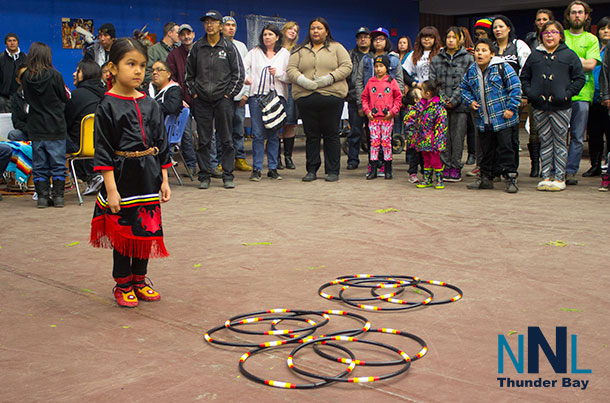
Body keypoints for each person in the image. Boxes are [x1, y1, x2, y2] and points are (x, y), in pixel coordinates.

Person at [89, 37, 171, 308]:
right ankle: (122, 283)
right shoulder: (107, 105)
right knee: (124, 235)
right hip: (122, 180)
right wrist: (111, 189)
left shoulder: (150, 103)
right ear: (112, 68)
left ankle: (140, 279)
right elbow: (103, 151)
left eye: (142, 65)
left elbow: (162, 143)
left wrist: (165, 180)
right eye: (131, 64)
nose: (138, 71)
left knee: (145, 232)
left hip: (148, 178)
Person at [521, 20, 585, 192]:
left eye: (554, 32)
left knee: (560, 142)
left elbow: (580, 79)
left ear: (561, 36)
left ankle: (559, 177)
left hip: (561, 107)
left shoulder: (569, 55)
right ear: (541, 36)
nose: (550, 35)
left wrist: (566, 93)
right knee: (545, 141)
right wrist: (531, 93)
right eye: (546, 32)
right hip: (539, 106)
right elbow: (524, 77)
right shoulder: (535, 55)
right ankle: (546, 176)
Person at [286, 17, 352, 182]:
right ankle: (312, 170)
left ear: (327, 31)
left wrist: (329, 78)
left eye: (319, 28)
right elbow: (291, 69)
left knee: (331, 134)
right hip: (306, 98)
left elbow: (347, 66)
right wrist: (302, 80)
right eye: (313, 28)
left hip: (331, 97)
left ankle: (332, 171)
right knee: (312, 135)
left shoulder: (337, 48)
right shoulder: (300, 50)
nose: (316, 31)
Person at [185, 10, 244, 189]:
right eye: (206, 22)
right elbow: (188, 75)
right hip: (202, 101)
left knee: (226, 139)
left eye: (213, 22)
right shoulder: (197, 47)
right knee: (203, 140)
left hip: (223, 100)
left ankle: (228, 175)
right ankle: (204, 175)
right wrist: (195, 93)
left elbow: (238, 74)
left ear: (220, 25)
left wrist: (228, 95)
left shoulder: (228, 47)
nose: (209, 25)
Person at [461, 38, 522, 193]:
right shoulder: (472, 71)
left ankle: (510, 178)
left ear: (492, 53)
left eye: (484, 50)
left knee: (506, 149)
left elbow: (515, 87)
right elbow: (464, 88)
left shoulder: (503, 67)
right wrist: (470, 101)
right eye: (478, 50)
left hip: (503, 118)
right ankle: (485, 178)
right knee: (486, 150)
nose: (480, 54)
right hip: (484, 119)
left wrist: (511, 108)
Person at [22, 42, 69, 207]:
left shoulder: (25, 77)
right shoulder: (55, 75)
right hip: (55, 126)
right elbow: (64, 97)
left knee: (39, 164)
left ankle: (42, 197)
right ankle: (58, 198)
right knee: (57, 164)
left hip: (36, 126)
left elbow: (27, 99)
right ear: (47, 56)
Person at [243, 24, 290, 181]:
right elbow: (242, 68)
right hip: (257, 96)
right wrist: (246, 79)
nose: (267, 37)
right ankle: (256, 168)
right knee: (257, 134)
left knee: (274, 134)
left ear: (277, 37)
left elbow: (290, 76)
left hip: (277, 97)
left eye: (270, 34)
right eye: (265, 34)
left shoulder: (284, 54)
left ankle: (273, 168)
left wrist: (279, 74)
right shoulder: (254, 52)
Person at [563, 0, 601, 185]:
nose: (576, 15)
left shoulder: (591, 39)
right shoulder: (560, 36)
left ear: (586, 16)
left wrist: (569, 62)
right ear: (568, 16)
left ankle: (570, 171)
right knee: (560, 135)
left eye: (580, 12)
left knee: (577, 136)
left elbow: (591, 64)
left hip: (583, 94)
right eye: (573, 12)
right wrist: (580, 61)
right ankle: (557, 169)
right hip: (560, 93)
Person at [430, 26, 474, 183]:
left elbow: (467, 82)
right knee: (442, 137)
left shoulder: (468, 58)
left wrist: (454, 99)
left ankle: (455, 167)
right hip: (440, 105)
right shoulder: (436, 59)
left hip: (460, 106)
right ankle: (444, 166)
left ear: (460, 39)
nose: (450, 40)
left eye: (454, 37)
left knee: (457, 138)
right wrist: (442, 99)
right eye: (448, 37)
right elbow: (432, 81)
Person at [402, 26, 441, 183]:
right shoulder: (413, 54)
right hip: (419, 96)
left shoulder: (440, 53)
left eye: (430, 37)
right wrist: (414, 83)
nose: (427, 40)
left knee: (432, 137)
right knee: (416, 135)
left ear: (435, 39)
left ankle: (432, 170)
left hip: (434, 96)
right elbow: (404, 73)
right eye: (424, 37)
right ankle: (414, 170)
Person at [65, 60, 106, 196]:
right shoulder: (106, 94)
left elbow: (67, 121)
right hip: (104, 145)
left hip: (82, 146)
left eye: (78, 71)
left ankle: (90, 177)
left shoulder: (77, 95)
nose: (74, 74)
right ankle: (95, 176)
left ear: (86, 74)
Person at [361, 55, 401, 180]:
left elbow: (398, 98)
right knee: (374, 143)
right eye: (376, 66)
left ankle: (388, 168)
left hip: (387, 119)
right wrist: (367, 111)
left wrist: (393, 111)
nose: (378, 69)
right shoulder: (371, 81)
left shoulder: (392, 82)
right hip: (373, 119)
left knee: (386, 143)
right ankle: (373, 168)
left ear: (386, 67)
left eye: (381, 66)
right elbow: (364, 97)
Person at [221, 16, 252, 172]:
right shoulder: (217, 45)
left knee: (238, 129)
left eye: (233, 25)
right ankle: (222, 160)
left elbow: (246, 71)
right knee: (222, 130)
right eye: (227, 25)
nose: (231, 28)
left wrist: (245, 93)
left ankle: (240, 159)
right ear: (221, 28)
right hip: (222, 97)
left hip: (239, 95)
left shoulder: (241, 46)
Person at [166, 24, 198, 176]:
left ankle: (210, 166)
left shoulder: (201, 51)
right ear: (178, 37)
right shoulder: (173, 55)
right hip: (183, 101)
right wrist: (179, 99)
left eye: (188, 33)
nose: (186, 37)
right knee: (185, 135)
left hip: (201, 99)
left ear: (193, 34)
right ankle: (191, 166)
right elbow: (171, 79)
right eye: (182, 34)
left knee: (207, 134)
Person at [404, 81, 447, 189]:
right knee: (426, 160)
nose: (421, 92)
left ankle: (439, 179)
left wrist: (439, 142)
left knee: (435, 160)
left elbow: (441, 127)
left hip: (433, 141)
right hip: (422, 140)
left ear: (427, 93)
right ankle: (427, 179)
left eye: (422, 90)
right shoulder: (420, 106)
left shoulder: (438, 108)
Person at [583, 17, 610, 178]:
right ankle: (595, 165)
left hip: (608, 97)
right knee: (594, 134)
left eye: (608, 28)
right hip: (592, 96)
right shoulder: (594, 48)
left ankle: (608, 167)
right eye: (602, 28)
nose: (605, 31)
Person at [346, 26, 372, 171]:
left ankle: (373, 160)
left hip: (374, 100)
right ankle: (352, 159)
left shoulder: (375, 55)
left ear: (370, 39)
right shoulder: (350, 55)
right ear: (357, 39)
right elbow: (345, 75)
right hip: (354, 98)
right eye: (360, 37)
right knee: (354, 132)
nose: (363, 39)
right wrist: (348, 93)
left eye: (366, 36)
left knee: (372, 132)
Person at [279, 21, 300, 170]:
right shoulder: (275, 47)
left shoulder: (298, 50)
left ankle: (288, 157)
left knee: (290, 123)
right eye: (290, 29)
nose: (292, 31)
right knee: (275, 124)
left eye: (295, 30)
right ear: (284, 30)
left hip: (293, 89)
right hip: (277, 88)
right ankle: (276, 158)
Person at [145, 22, 179, 87]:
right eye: (177, 33)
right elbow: (147, 72)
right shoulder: (153, 50)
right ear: (169, 33)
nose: (179, 35)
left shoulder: (177, 50)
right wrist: (160, 83)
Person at [0, 33, 27, 113]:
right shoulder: (1, 58)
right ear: (5, 44)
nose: (12, 43)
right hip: (4, 98)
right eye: (9, 41)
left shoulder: (25, 58)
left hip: (21, 97)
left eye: (14, 41)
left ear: (18, 43)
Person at [7, 63, 28, 141]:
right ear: (18, 80)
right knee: (13, 134)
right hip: (27, 132)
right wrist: (28, 130)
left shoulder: (40, 94)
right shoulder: (16, 98)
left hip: (41, 133)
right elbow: (16, 121)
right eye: (23, 77)